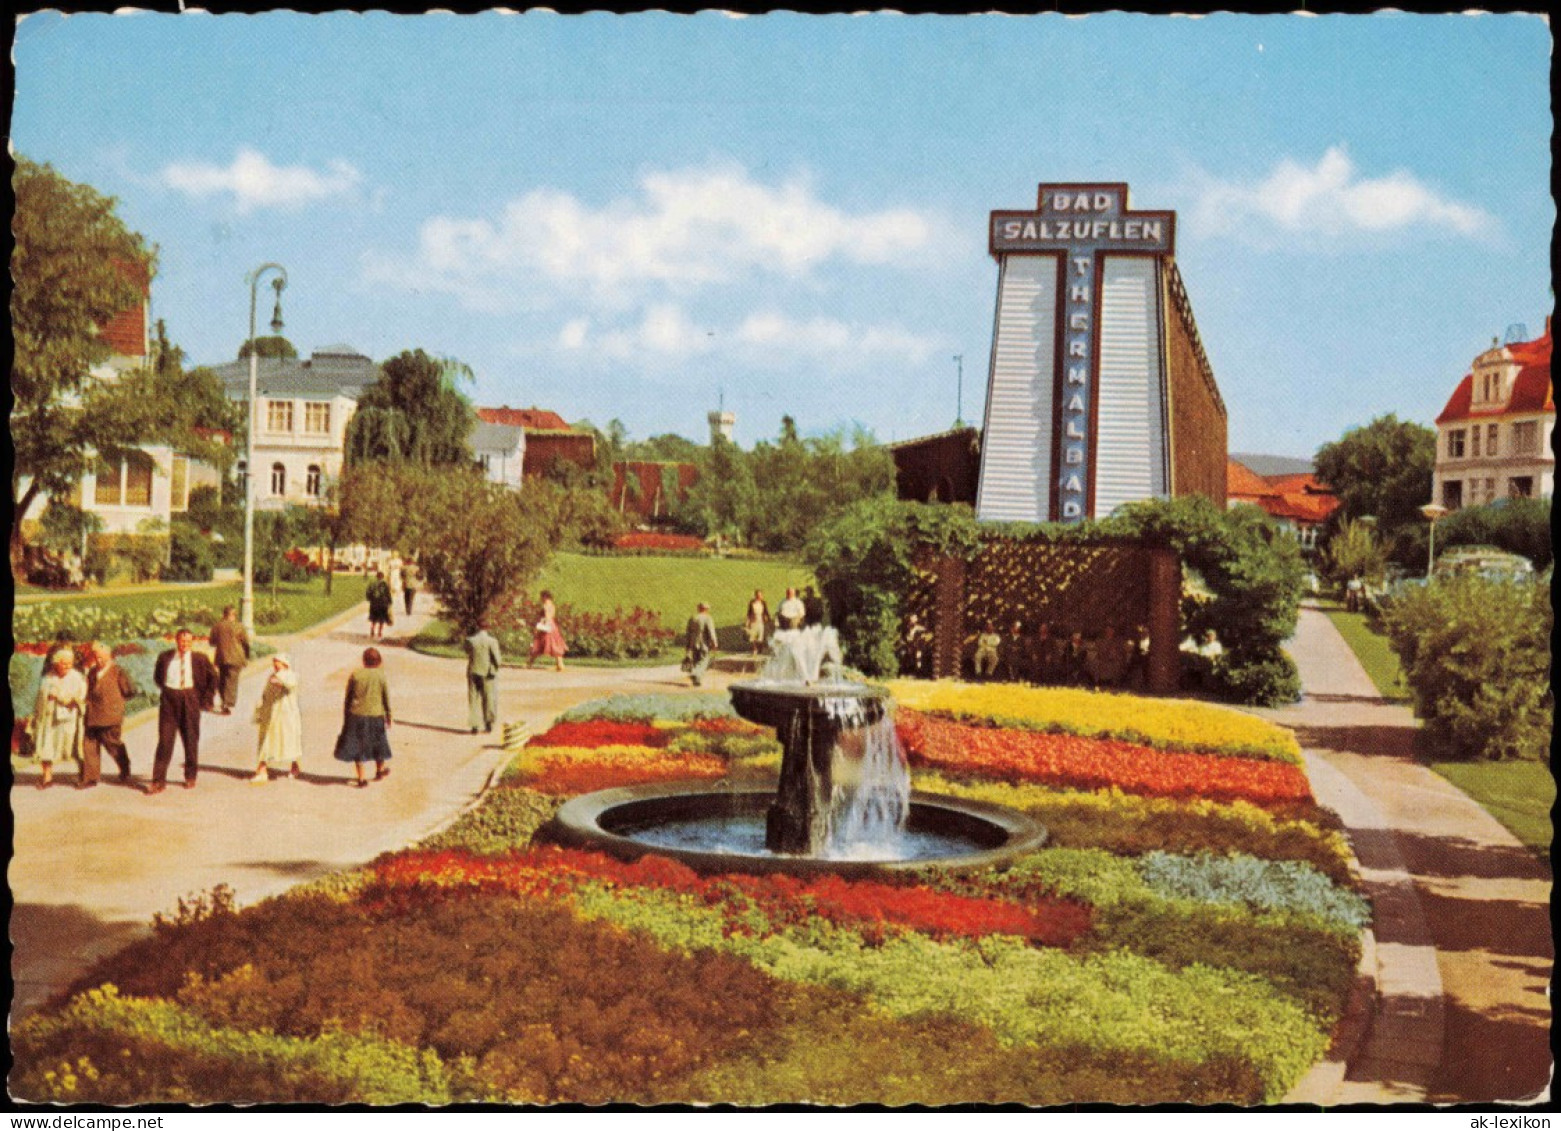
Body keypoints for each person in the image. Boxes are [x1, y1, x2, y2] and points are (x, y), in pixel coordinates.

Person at [149, 628, 218, 794]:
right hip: (169, 701)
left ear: (192, 642)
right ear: (176, 641)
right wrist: (168, 691)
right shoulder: (165, 657)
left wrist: (205, 699)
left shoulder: (199, 659)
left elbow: (213, 678)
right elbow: (158, 677)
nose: (184, 644)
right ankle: (158, 781)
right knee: (165, 741)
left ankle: (190, 776)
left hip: (190, 699)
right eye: (182, 641)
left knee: (190, 740)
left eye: (188, 641)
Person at [26, 647, 87, 789]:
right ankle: (47, 777)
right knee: (46, 746)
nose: (67, 666)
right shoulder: (48, 678)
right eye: (63, 663)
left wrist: (60, 697)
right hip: (50, 719)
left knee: (76, 748)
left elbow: (79, 697)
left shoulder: (77, 677)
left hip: (70, 719)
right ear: (56, 663)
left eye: (69, 663)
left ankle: (84, 775)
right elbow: (41, 699)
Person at [335, 647, 394, 788]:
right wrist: (389, 715)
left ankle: (361, 778)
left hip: (356, 715)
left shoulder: (355, 675)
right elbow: (386, 697)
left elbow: (348, 697)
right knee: (379, 743)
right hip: (376, 715)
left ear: (363, 661)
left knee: (358, 746)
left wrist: (346, 714)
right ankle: (379, 770)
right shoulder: (381, 676)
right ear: (379, 661)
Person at [83, 642, 135, 787]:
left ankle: (124, 765)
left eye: (101, 657)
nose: (98, 660)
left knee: (112, 743)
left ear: (109, 656)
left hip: (110, 714)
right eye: (96, 657)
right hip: (92, 713)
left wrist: (117, 704)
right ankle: (90, 778)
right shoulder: (92, 672)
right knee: (90, 745)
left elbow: (130, 690)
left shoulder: (118, 671)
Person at [251, 655, 303, 782]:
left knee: (290, 740)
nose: (275, 665)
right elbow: (266, 694)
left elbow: (289, 684)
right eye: (274, 662)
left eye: (277, 662)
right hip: (271, 714)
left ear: (284, 663)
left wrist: (278, 681)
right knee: (266, 740)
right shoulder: (272, 676)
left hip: (287, 714)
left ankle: (295, 766)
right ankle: (262, 769)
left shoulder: (291, 676)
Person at [208, 605, 250, 715]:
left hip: (221, 657)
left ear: (224, 614)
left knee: (223, 679)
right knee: (232, 680)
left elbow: (212, 642)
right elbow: (245, 642)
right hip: (236, 657)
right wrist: (247, 655)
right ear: (233, 615)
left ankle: (223, 701)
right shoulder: (239, 626)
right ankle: (227, 704)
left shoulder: (217, 626)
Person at [464, 622, 503, 734]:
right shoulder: (492, 641)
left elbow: (467, 652)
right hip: (487, 673)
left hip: (473, 671)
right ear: (488, 628)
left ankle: (474, 725)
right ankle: (488, 723)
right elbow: (498, 660)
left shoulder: (470, 641)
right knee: (488, 698)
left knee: (473, 699)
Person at [527, 591, 567, 672]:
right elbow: (551, 616)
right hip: (552, 626)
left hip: (547, 626)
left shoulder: (546, 605)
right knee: (554, 644)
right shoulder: (552, 605)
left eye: (541, 597)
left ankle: (529, 663)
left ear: (545, 597)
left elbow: (547, 617)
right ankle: (560, 664)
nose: (540, 599)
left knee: (538, 644)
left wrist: (540, 625)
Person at [683, 602, 719, 687]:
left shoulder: (692, 618)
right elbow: (711, 631)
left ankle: (697, 680)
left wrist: (688, 644)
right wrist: (714, 642)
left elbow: (688, 632)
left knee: (696, 660)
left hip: (693, 642)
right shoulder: (708, 618)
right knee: (704, 660)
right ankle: (695, 673)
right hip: (703, 643)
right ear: (706, 609)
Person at [1085, 625, 1133, 689]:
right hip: (1102, 659)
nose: (1109, 632)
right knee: (1095, 663)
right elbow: (1096, 650)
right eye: (1107, 630)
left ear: (1113, 631)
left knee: (1117, 665)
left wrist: (1115, 655)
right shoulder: (1100, 641)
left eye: (1111, 630)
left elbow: (1122, 651)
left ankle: (1114, 683)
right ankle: (1096, 682)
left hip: (1114, 660)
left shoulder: (1117, 641)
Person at [366, 571, 394, 640]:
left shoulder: (372, 583)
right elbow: (388, 594)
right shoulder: (385, 584)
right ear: (383, 577)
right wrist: (390, 601)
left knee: (373, 618)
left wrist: (370, 599)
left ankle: (372, 630)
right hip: (383, 603)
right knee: (382, 619)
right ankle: (380, 632)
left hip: (374, 603)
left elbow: (368, 592)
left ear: (376, 576)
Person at [902, 613, 932, 677]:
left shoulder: (918, 628)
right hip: (909, 646)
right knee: (909, 658)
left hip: (916, 646)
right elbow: (906, 636)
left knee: (918, 656)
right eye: (911, 620)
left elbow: (924, 631)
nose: (912, 621)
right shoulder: (907, 628)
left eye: (914, 619)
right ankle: (909, 671)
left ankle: (918, 671)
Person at [744, 590, 771, 656]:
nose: (759, 596)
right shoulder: (752, 603)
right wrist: (747, 622)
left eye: (760, 595)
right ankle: (755, 649)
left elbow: (766, 611)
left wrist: (767, 618)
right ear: (755, 595)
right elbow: (749, 613)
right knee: (753, 636)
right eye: (758, 595)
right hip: (753, 620)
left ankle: (760, 648)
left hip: (761, 621)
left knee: (760, 637)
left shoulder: (763, 603)